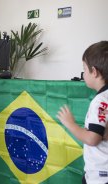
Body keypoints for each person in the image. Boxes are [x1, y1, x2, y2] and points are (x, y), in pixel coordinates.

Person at [57, 41, 108, 184]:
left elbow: (93, 138)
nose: (83, 74)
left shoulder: (100, 101)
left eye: (84, 69)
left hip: (99, 175)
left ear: (94, 71)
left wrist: (70, 124)